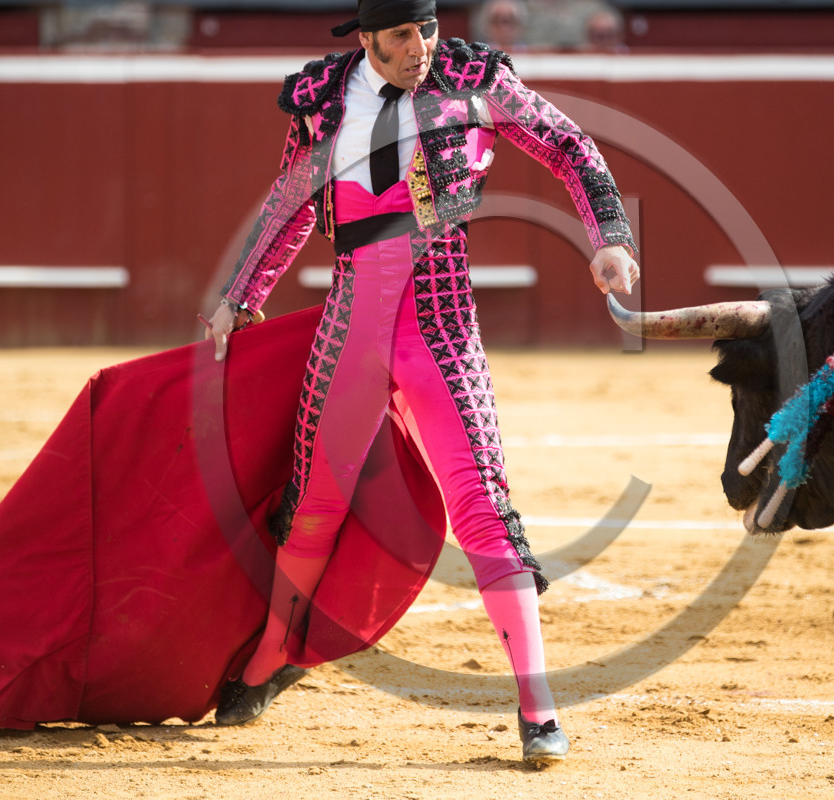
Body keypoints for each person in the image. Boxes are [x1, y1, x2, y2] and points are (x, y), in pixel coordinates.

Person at [202, 0, 639, 762]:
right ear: (366, 38)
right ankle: (273, 652)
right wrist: (240, 294)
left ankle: (538, 708)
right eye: (403, 35)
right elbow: (290, 200)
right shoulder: (321, 100)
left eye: (428, 30)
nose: (421, 48)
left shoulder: (476, 79)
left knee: (482, 504)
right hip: (350, 321)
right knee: (314, 505)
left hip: (439, 316)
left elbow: (569, 145)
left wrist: (607, 236)